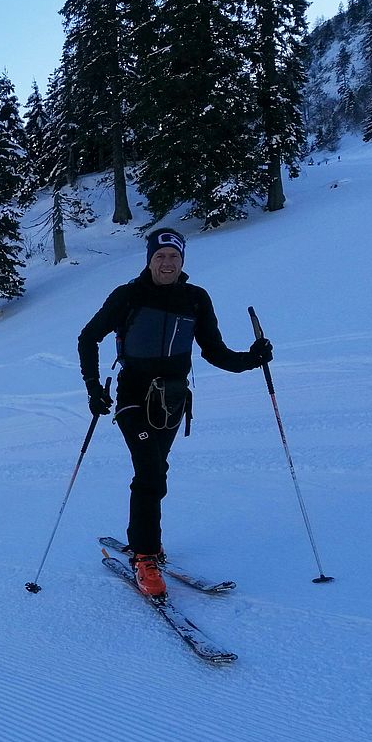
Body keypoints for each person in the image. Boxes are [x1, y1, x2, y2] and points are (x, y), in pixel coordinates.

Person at [77, 228, 272, 600]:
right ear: (149, 259)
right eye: (160, 256)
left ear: (182, 260)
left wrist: (253, 358)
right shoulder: (128, 295)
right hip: (133, 397)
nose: (167, 263)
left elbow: (216, 353)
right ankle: (146, 557)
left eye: (174, 257)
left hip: (172, 401)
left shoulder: (195, 299)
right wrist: (93, 387)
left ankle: (145, 541)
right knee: (149, 471)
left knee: (157, 472)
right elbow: (88, 337)